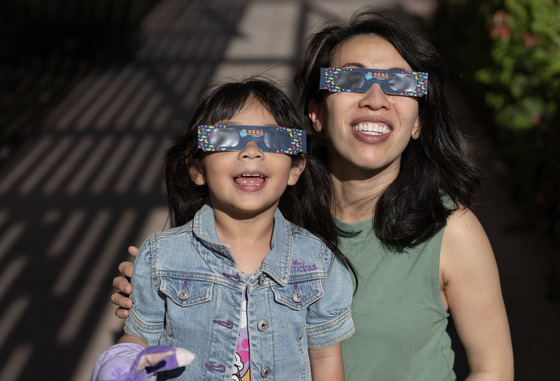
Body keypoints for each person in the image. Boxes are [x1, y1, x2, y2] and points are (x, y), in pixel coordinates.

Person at [112, 11, 514, 380]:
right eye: (352, 80)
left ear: (418, 123)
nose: (376, 99)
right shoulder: (266, 211)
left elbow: (493, 370)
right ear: (316, 114)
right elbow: (187, 353)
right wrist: (157, 298)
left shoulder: (451, 230)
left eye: (400, 83)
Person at [96, 79, 355, 381]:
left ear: (295, 168)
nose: (251, 151)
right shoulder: (160, 257)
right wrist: (120, 363)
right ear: (196, 168)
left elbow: (325, 359)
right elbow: (140, 341)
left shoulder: (319, 263)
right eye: (227, 138)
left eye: (272, 140)